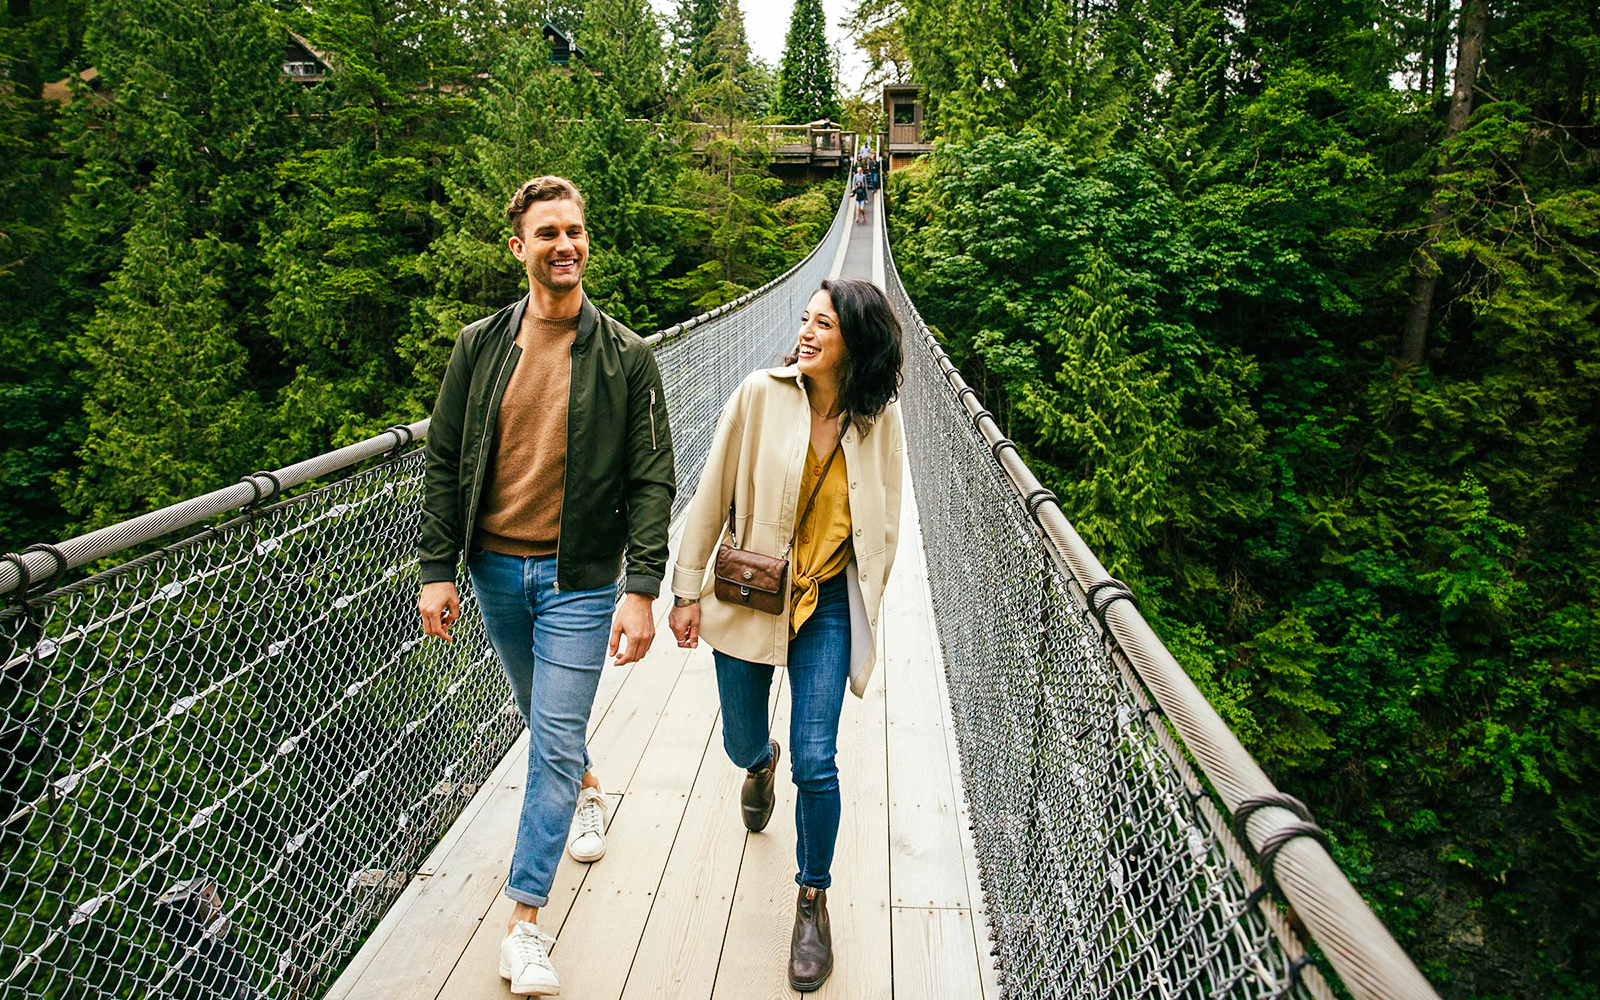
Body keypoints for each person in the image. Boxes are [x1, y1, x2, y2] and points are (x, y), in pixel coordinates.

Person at [417, 175, 675, 997]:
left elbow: (651, 479)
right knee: (546, 722)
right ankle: (590, 789)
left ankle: (523, 925)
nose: (565, 245)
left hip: (581, 578)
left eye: (576, 231)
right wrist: (434, 569)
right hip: (493, 568)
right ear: (518, 247)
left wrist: (641, 586)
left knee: (552, 738)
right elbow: (444, 460)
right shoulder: (479, 346)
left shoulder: (626, 356)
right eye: (549, 233)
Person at [667, 277, 904, 992]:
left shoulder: (877, 420)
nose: (805, 331)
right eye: (803, 319)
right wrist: (685, 589)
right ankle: (756, 762)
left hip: (827, 602)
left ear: (854, 341)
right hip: (749, 590)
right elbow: (710, 492)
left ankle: (812, 899)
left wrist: (869, 590)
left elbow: (886, 514)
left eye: (822, 324)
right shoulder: (758, 394)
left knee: (818, 759)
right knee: (744, 738)